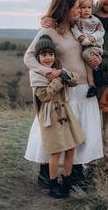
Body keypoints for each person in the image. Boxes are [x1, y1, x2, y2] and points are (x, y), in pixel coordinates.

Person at [24, 0, 103, 189]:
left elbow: (86, 51)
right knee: (57, 131)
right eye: (75, 6)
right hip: (66, 90)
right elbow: (29, 57)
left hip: (85, 87)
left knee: (80, 133)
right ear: (65, 8)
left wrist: (97, 58)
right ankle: (45, 174)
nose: (79, 9)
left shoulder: (78, 27)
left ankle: (75, 173)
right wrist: (48, 72)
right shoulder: (48, 30)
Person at [29, 34, 85, 198]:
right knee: (56, 152)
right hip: (50, 117)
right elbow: (44, 96)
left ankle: (66, 182)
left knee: (70, 149)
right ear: (38, 57)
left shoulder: (59, 69)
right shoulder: (36, 75)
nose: (48, 58)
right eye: (44, 54)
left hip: (65, 113)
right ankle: (53, 185)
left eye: (50, 54)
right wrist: (59, 80)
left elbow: (75, 80)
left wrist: (63, 74)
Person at [71, 0, 105, 98]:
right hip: (86, 48)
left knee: (85, 54)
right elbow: (74, 29)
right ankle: (92, 87)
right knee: (88, 69)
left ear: (92, 8)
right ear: (78, 8)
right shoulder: (77, 20)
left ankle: (98, 70)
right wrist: (81, 37)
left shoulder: (95, 20)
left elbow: (101, 31)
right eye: (83, 7)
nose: (86, 10)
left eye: (89, 7)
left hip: (95, 47)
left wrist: (92, 38)